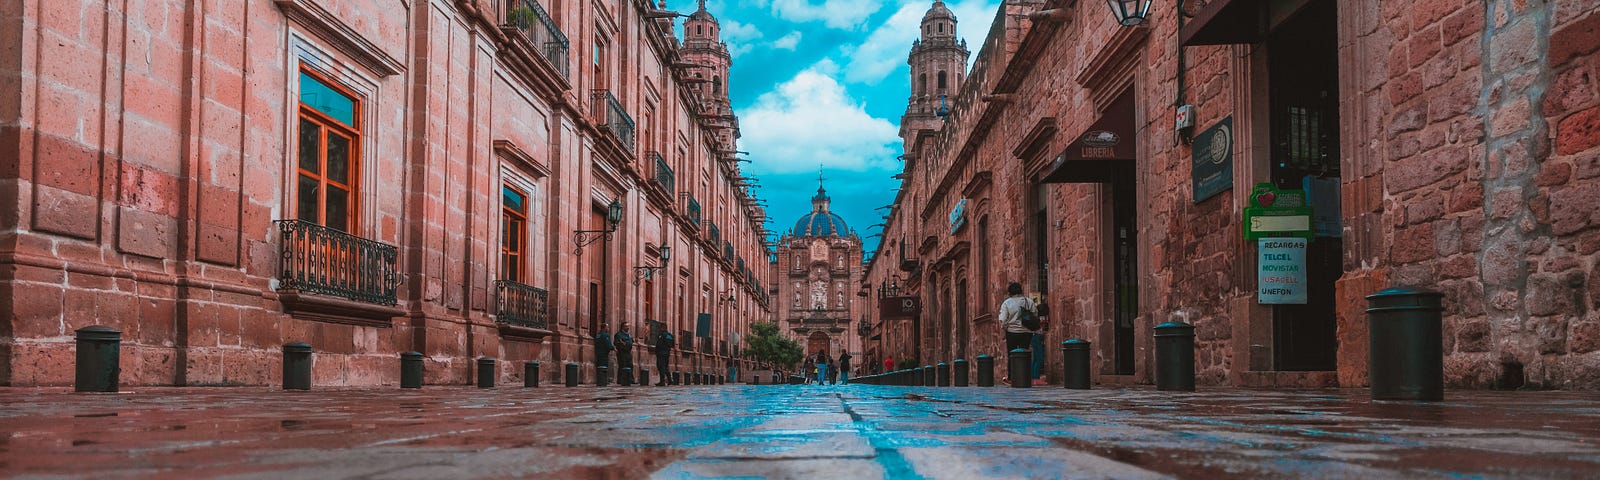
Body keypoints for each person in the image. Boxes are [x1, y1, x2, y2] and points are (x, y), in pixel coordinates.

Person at [997, 282, 1037, 383]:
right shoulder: (1028, 301)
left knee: (1012, 355)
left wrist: (1005, 327)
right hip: (1026, 332)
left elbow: (1003, 319)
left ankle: (1011, 378)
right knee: (1024, 354)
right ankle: (1025, 377)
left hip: (1012, 332)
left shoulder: (1007, 303)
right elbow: (1035, 313)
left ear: (1010, 292)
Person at [1030, 302, 1050, 386]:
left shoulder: (1033, 316)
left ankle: (1033, 378)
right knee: (1039, 358)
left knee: (1035, 359)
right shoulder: (1037, 317)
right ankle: (1036, 378)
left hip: (1033, 337)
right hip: (1036, 337)